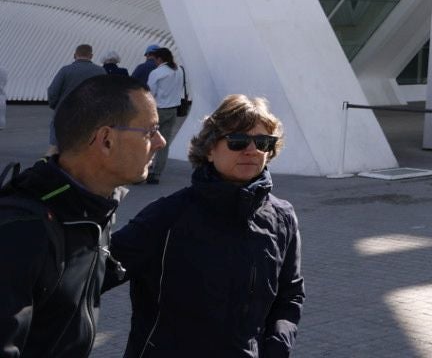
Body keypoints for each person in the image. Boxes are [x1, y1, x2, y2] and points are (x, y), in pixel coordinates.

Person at [107, 94, 302, 357]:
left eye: (263, 142)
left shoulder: (282, 217)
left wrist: (277, 347)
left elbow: (289, 296)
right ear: (209, 150)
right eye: (238, 141)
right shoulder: (167, 216)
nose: (252, 150)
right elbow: (93, 276)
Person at [0, 75, 163, 358]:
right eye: (150, 131)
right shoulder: (22, 231)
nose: (160, 141)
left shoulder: (92, 211)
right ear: (106, 140)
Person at [46, 45, 105, 151]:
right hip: (90, 116)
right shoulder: (100, 71)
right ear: (91, 56)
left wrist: (55, 106)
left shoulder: (65, 70)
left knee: (55, 148)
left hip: (64, 114)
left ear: (74, 55)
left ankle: (49, 166)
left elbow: (52, 92)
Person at [144, 48, 187, 185]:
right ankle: (157, 173)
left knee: (147, 140)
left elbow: (149, 93)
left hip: (157, 110)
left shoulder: (157, 73)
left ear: (159, 59)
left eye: (155, 59)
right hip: (173, 110)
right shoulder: (179, 70)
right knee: (164, 142)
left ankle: (143, 168)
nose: (154, 62)